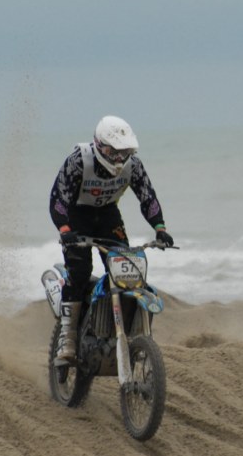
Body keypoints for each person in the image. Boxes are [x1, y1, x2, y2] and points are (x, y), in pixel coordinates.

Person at [49, 115, 174, 365]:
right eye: (113, 152)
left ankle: (126, 332)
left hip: (107, 216)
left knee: (127, 271)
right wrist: (64, 230)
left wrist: (159, 228)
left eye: (124, 152)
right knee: (80, 271)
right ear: (99, 145)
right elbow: (58, 198)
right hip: (76, 217)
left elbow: (147, 196)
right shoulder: (78, 161)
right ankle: (68, 337)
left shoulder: (133, 166)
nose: (119, 158)